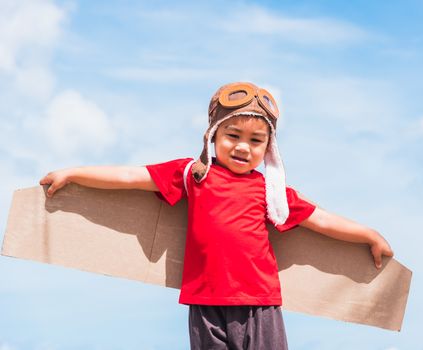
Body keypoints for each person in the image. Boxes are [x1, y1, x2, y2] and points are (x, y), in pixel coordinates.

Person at [39, 82, 394, 350]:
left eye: (256, 141)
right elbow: (132, 177)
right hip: (205, 304)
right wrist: (74, 173)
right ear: (213, 135)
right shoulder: (194, 174)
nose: (242, 146)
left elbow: (321, 220)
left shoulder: (270, 191)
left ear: (267, 148)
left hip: (258, 304)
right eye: (233, 135)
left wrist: (370, 235)